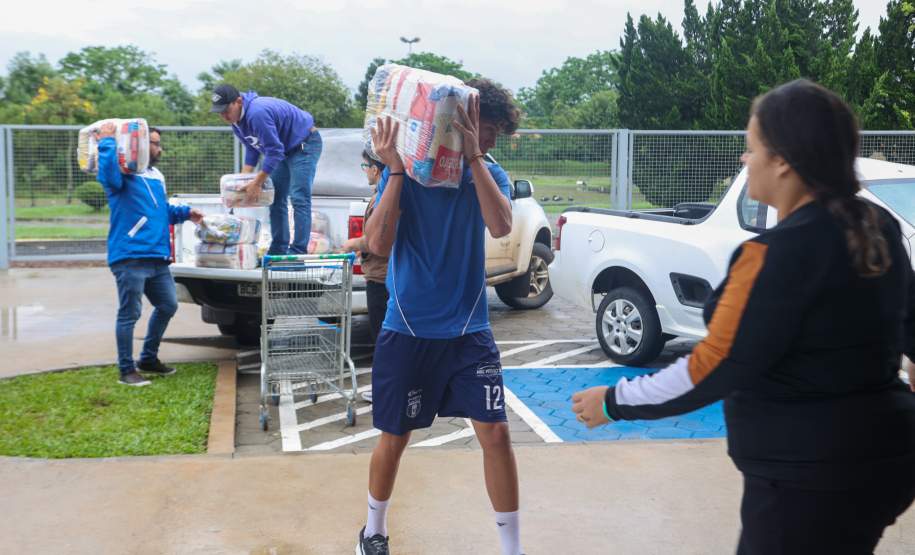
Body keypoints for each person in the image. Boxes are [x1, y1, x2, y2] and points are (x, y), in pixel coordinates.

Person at [572, 79, 915, 554]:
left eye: (751, 148)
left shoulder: (774, 255)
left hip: (807, 480)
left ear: (784, 161)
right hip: (883, 459)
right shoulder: (877, 228)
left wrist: (614, 401)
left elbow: (713, 366)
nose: (743, 159)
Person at [355, 79, 523, 555]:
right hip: (408, 330)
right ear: (460, 121)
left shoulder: (490, 172)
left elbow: (501, 225)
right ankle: (373, 530)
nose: (491, 140)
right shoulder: (406, 171)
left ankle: (512, 548)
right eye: (486, 130)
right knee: (395, 436)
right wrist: (395, 172)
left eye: (494, 134)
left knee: (496, 433)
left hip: (470, 330)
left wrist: (474, 157)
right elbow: (378, 245)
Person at [96, 123, 203, 386]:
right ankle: (126, 370)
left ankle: (148, 359)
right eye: (154, 143)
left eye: (158, 143)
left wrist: (186, 213)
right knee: (129, 314)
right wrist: (107, 142)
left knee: (168, 305)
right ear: (140, 144)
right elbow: (108, 178)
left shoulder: (155, 176)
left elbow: (159, 210)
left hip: (157, 257)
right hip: (130, 256)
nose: (159, 148)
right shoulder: (123, 172)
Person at [210, 84, 322, 255]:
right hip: (283, 149)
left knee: (299, 197)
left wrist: (256, 183)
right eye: (220, 112)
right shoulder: (236, 121)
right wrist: (242, 180)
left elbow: (274, 152)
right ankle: (278, 248)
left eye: (226, 109)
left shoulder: (257, 114)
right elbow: (253, 148)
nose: (224, 115)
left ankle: (298, 252)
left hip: (304, 144)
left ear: (238, 101)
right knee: (275, 198)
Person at [342, 151, 389, 404]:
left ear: (377, 169)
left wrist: (353, 243)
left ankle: (385, 389)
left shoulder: (384, 198)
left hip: (382, 278)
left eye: (367, 166)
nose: (365, 170)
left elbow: (379, 240)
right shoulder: (379, 196)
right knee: (383, 336)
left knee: (383, 338)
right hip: (379, 273)